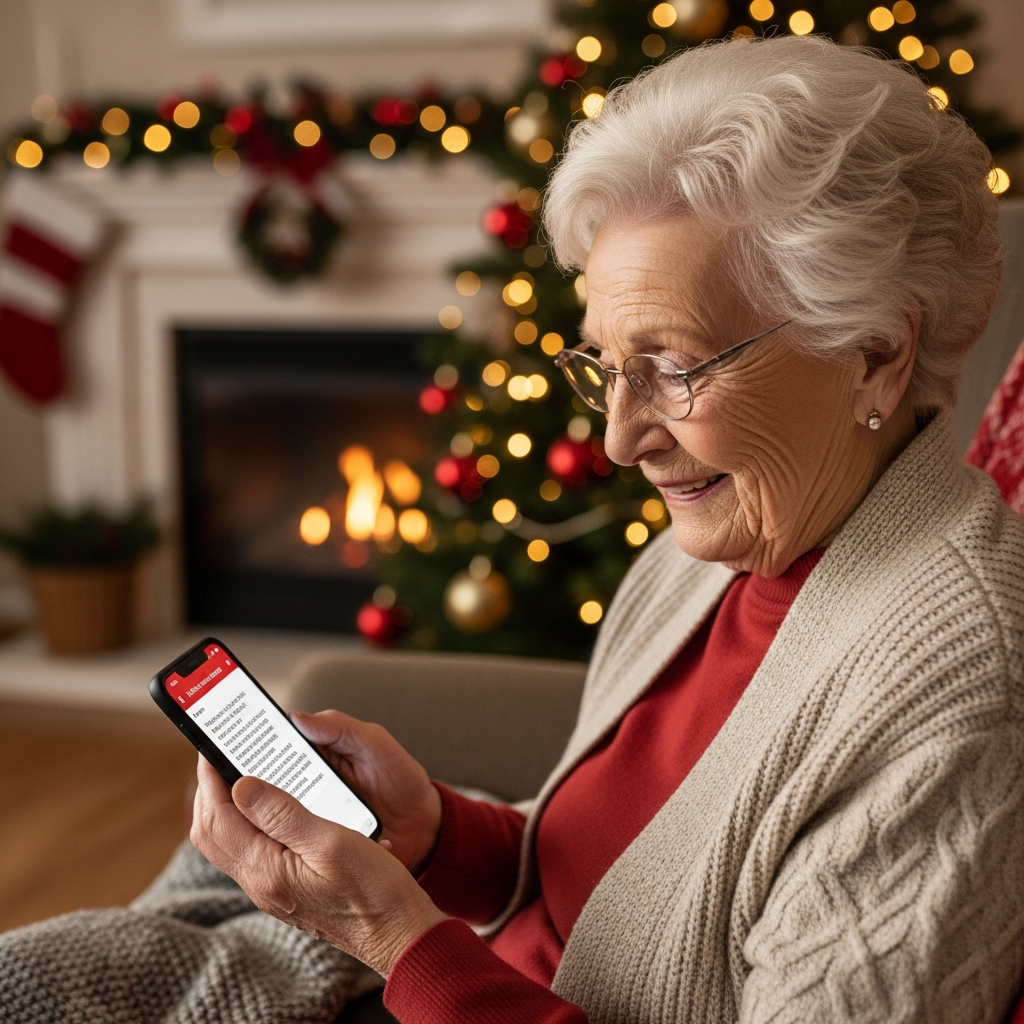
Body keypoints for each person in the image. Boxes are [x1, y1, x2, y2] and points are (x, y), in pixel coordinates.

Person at [3, 33, 1024, 1024]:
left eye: (674, 365)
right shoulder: (721, 543)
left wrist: (401, 942)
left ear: (878, 353)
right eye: (604, 365)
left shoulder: (960, 696)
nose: (622, 440)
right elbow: (609, 875)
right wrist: (441, 837)